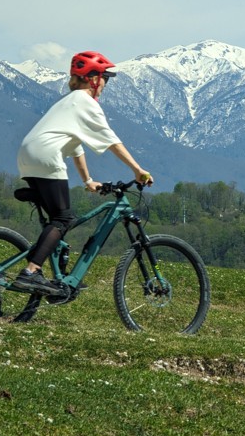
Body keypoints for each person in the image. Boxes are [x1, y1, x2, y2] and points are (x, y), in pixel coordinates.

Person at [13, 50, 154, 293]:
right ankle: (30, 271)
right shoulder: (85, 102)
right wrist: (137, 170)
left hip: (28, 156)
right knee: (64, 219)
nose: (104, 86)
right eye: (104, 80)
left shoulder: (68, 103)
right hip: (46, 157)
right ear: (93, 79)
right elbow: (111, 141)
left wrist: (87, 180)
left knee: (58, 221)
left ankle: (56, 273)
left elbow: (76, 147)